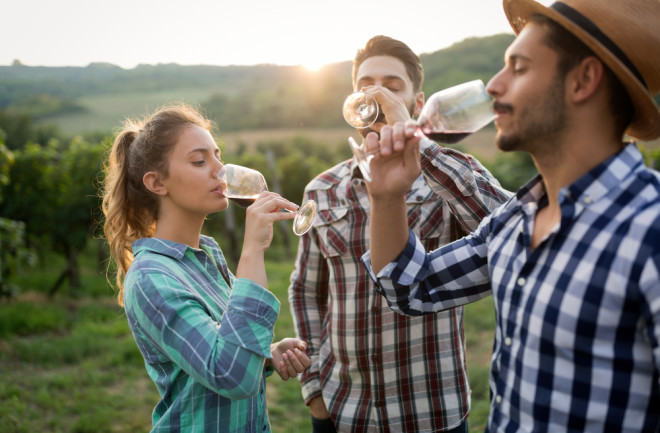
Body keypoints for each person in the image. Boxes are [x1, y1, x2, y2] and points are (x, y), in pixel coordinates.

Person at [363, 0, 660, 431]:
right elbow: (410, 287)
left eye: (518, 68)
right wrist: (387, 199)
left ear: (583, 80)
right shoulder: (513, 220)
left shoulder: (650, 230)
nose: (495, 86)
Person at [288, 35, 511, 433]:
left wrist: (417, 142)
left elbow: (514, 229)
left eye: (392, 86)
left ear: (418, 103)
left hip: (432, 411)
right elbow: (306, 290)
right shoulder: (321, 190)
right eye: (365, 86)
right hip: (343, 410)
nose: (376, 94)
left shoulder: (448, 178)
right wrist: (315, 393)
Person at [101, 103, 311, 433]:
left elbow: (220, 343)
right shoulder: (150, 279)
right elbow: (232, 376)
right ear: (157, 183)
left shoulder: (208, 254)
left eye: (218, 156)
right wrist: (253, 248)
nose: (220, 171)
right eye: (200, 161)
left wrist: (267, 353)